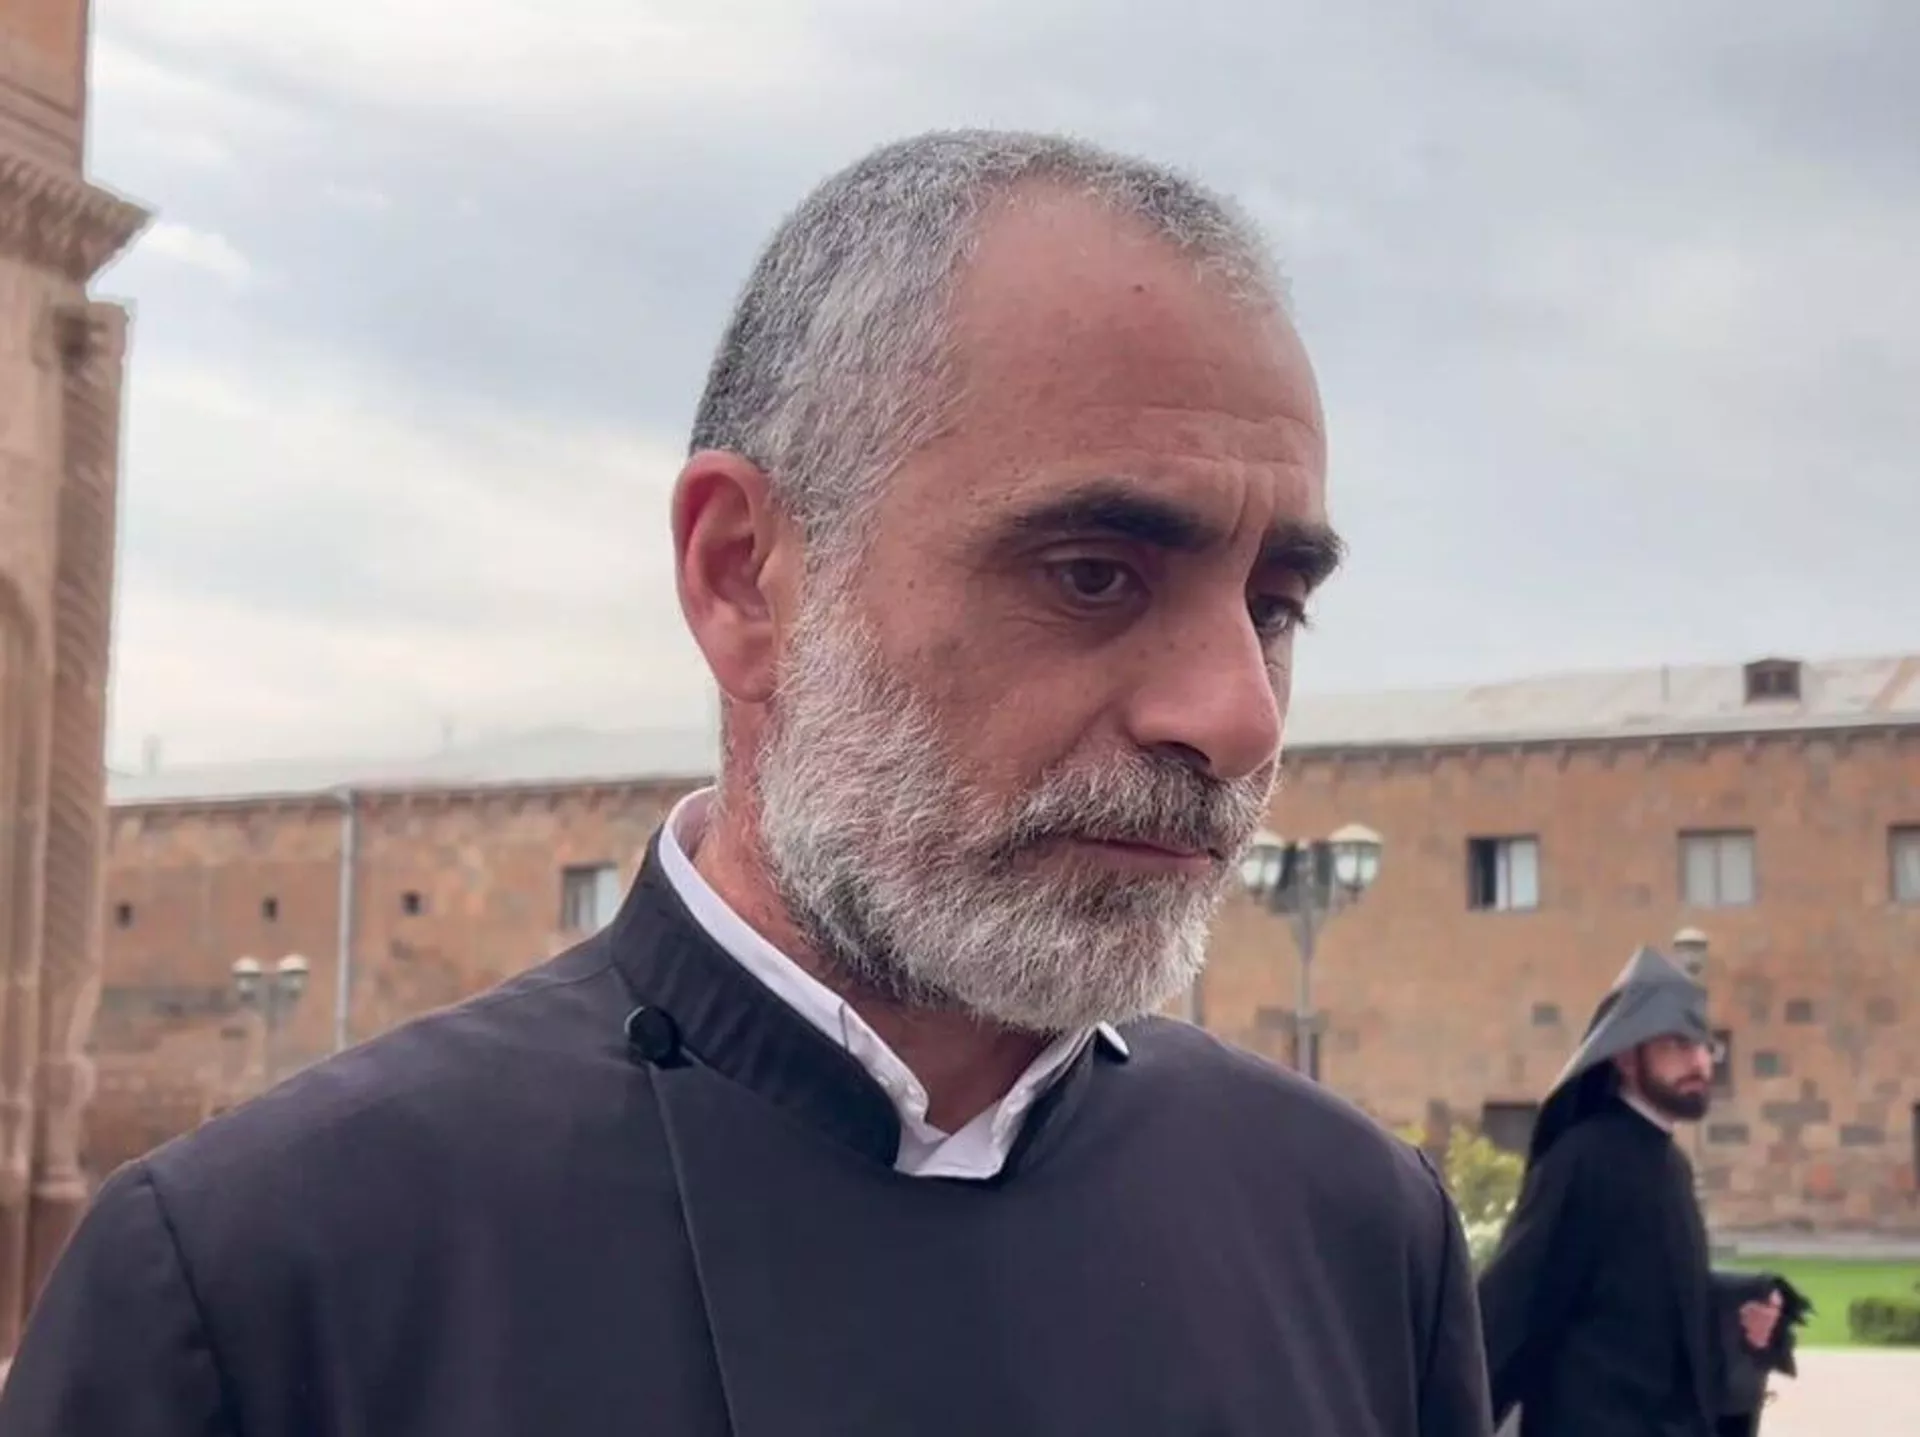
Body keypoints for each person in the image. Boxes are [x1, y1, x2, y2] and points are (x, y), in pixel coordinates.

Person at [2, 129, 1491, 1435]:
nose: (1235, 716)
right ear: (743, 578)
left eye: (1275, 606)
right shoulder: (263, 1288)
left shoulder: (1355, 1234)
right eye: (1093, 575)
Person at [1477, 947, 1806, 1437]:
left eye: (1705, 1046)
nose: (1700, 1062)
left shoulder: (1671, 1163)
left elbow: (1644, 1293)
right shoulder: (1582, 1160)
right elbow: (1513, 1306)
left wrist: (1740, 1308)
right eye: (1678, 1044)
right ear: (1627, 1057)